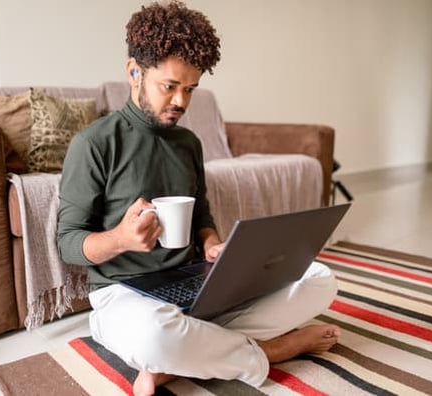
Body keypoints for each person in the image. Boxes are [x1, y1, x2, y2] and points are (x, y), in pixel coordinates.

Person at [57, 1, 341, 395]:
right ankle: (269, 351)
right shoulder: (94, 143)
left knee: (319, 280)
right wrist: (122, 238)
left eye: (190, 89)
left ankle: (185, 356)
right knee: (156, 336)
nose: (181, 102)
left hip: (193, 285)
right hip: (123, 294)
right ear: (134, 72)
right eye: (169, 86)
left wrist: (210, 242)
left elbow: (201, 212)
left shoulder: (188, 142)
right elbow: (68, 243)